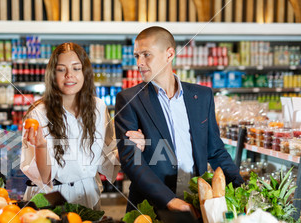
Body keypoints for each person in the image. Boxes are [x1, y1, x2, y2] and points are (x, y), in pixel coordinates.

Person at [114, 26, 244, 213]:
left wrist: (240, 188)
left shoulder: (202, 96)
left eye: (146, 55)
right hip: (150, 205)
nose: (140, 63)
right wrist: (169, 200)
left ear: (169, 54)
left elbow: (215, 152)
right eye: (137, 56)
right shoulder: (129, 100)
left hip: (196, 199)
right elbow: (131, 161)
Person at [21, 42, 144, 209]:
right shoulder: (37, 113)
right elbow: (44, 177)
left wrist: (133, 146)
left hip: (88, 195)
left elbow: (107, 157)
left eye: (76, 68)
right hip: (49, 198)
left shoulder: (98, 108)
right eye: (61, 69)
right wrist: (41, 146)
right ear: (52, 74)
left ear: (85, 72)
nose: (69, 75)